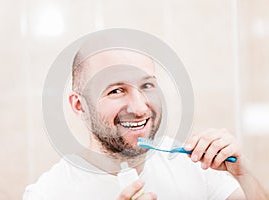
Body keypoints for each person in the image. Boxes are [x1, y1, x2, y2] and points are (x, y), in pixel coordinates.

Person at [23, 49, 267, 200]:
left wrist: (243, 174)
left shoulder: (195, 165)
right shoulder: (47, 194)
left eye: (147, 86)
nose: (140, 108)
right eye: (116, 90)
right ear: (79, 105)